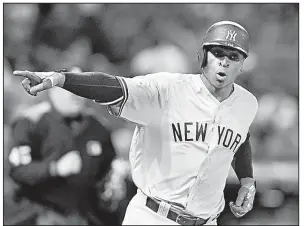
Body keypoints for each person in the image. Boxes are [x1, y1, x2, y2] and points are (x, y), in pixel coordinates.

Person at [14, 21, 258, 225]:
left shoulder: (247, 104)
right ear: (203, 56)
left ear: (242, 64)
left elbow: (240, 137)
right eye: (217, 53)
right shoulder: (167, 89)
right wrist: (61, 79)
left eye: (233, 56)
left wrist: (247, 181)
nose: (224, 61)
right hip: (153, 216)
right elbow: (114, 86)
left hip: (206, 220)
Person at [9, 67, 117, 225]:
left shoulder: (98, 128)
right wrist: (54, 168)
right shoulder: (31, 121)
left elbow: (107, 172)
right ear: (52, 89)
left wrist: (113, 183)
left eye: (81, 88)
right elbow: (17, 171)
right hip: (40, 213)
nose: (77, 95)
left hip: (83, 215)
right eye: (70, 88)